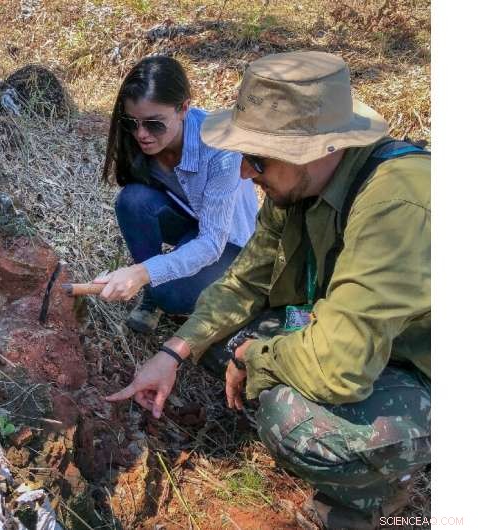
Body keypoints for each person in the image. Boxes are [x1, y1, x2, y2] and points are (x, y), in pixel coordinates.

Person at [105, 51, 431, 529]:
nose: (244, 174)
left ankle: (377, 496)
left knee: (290, 420)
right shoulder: (298, 184)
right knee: (219, 339)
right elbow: (244, 280)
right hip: (360, 336)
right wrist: (173, 353)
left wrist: (253, 359)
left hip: (420, 364)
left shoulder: (398, 203)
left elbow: (340, 366)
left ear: (317, 149)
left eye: (256, 159)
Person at [95, 55, 259, 333]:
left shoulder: (221, 151)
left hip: (229, 241)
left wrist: (142, 273)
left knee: (170, 296)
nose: (141, 134)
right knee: (132, 201)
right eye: (132, 123)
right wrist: (148, 273)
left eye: (154, 123)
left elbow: (211, 243)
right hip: (190, 220)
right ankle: (152, 296)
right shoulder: (138, 139)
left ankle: (165, 293)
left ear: (184, 108)